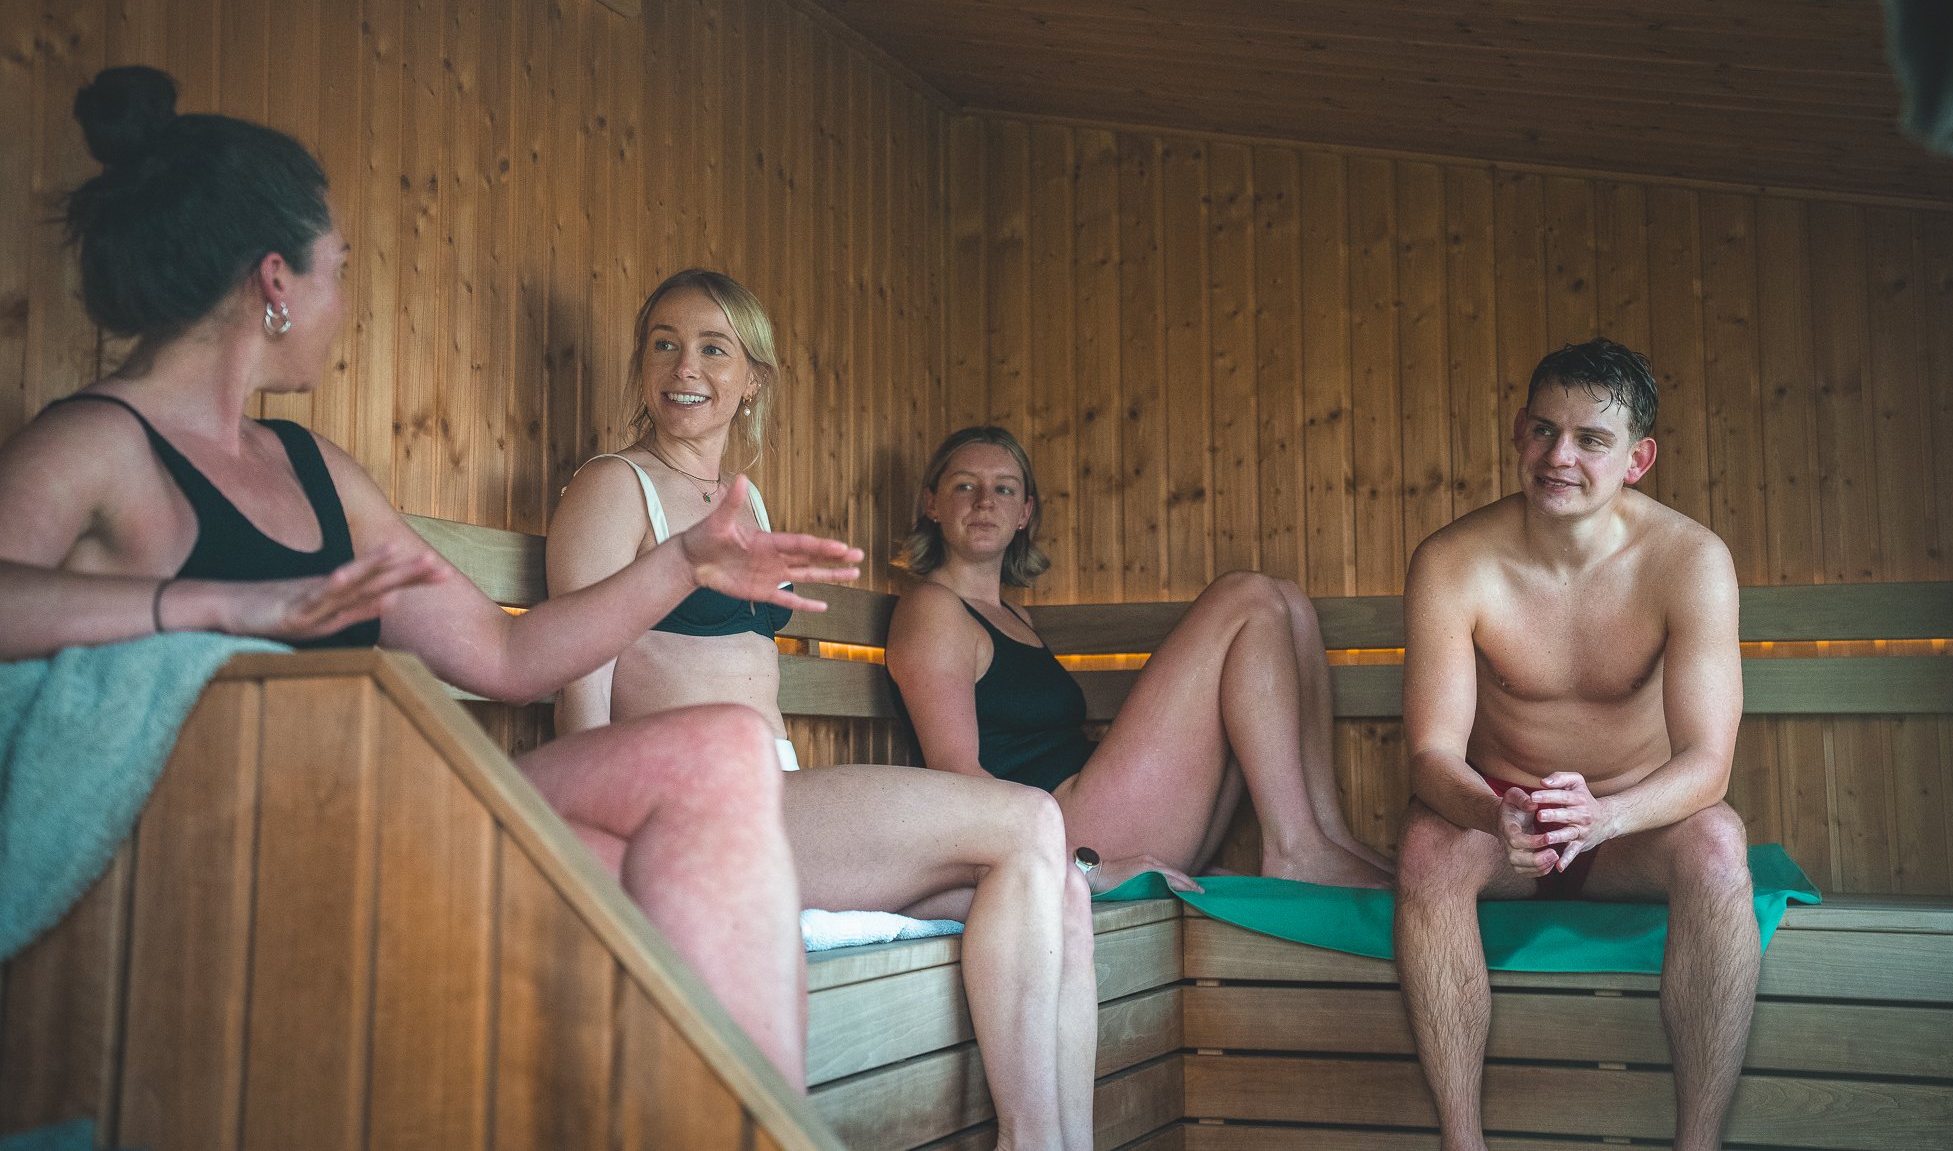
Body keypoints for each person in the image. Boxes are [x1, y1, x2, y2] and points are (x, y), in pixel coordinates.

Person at [0, 66, 867, 1086]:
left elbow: (504, 654)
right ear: (277, 283)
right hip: (230, 841)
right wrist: (223, 605)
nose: (344, 301)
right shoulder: (97, 443)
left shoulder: (316, 472)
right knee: (625, 899)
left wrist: (684, 561)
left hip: (375, 798)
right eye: (342, 269)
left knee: (716, 758)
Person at [547, 269, 1099, 1150]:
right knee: (1031, 818)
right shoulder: (615, 489)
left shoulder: (741, 502)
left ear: (750, 379)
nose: (684, 365)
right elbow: (580, 698)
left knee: (1058, 886)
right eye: (664, 342)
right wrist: (597, 872)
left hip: (778, 791)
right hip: (693, 807)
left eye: (713, 347)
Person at [1395, 336, 1756, 1151]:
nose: (1560, 456)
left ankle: (1697, 1144)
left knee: (1720, 846)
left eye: (1592, 439)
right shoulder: (1454, 561)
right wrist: (1497, 815)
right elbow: (1430, 754)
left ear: (1638, 457)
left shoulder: (1689, 560)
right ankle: (1463, 1142)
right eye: (1544, 430)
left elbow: (1709, 760)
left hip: (1631, 827)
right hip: (1506, 829)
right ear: (1519, 431)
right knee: (1426, 850)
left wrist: (1607, 816)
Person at [887, 426, 1394, 892]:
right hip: (1065, 837)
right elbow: (955, 777)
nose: (983, 501)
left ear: (1024, 513)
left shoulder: (1015, 617)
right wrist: (1083, 867)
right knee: (1250, 597)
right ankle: (1296, 850)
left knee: (1291, 605)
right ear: (932, 504)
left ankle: (1328, 838)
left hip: (1111, 820)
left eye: (1003, 488)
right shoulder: (932, 609)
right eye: (963, 486)